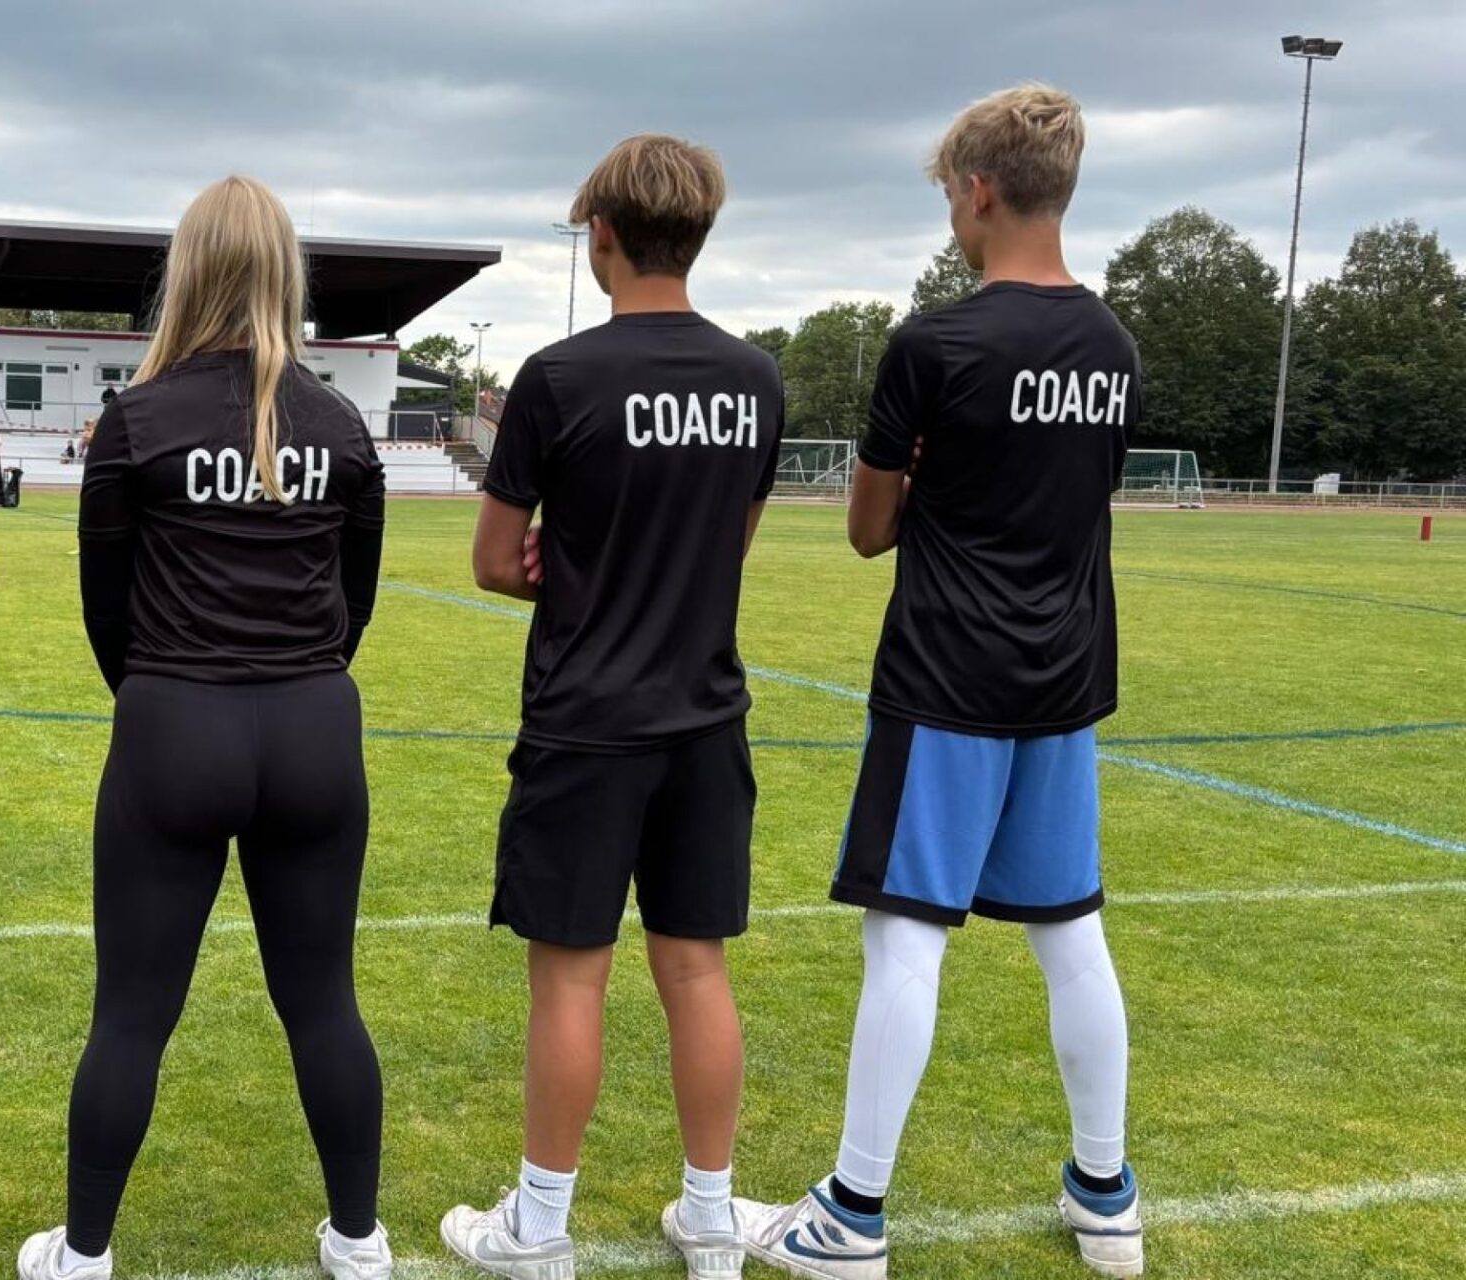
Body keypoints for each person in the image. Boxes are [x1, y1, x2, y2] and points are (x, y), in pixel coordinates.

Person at [736, 85, 1143, 1280]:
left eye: (949, 199)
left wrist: (923, 480)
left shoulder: (936, 344)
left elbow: (868, 529)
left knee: (905, 938)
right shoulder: (1114, 345)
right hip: (1062, 678)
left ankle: (850, 1215)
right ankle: (1105, 1193)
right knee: (1073, 936)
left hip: (947, 678)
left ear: (976, 190)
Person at [15, 175, 392, 1280]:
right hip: (313, 724)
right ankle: (358, 1241)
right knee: (324, 997)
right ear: (284, 276)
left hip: (175, 721)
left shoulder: (138, 417)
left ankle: (83, 1251)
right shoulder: (342, 422)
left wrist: (168, 703)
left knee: (130, 1009)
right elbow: (350, 604)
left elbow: (107, 612)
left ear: (189, 272)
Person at [436, 135, 783, 1280]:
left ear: (599, 235)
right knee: (697, 969)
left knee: (571, 975)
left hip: (585, 721)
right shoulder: (755, 379)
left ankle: (539, 1227)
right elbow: (729, 547)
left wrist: (566, 554)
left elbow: (493, 560)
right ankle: (713, 1218)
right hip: (704, 719)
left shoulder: (557, 377)